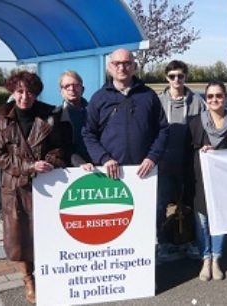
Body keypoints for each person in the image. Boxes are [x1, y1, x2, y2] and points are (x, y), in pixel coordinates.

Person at [0, 71, 71, 304]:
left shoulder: (49, 116)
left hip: (44, 186)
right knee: (19, 238)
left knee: (44, 234)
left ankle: (48, 274)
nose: (25, 96)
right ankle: (28, 280)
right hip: (15, 187)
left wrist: (51, 162)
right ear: (12, 92)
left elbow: (60, 148)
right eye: (20, 91)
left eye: (30, 92)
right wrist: (29, 166)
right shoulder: (2, 120)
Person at [184, 80, 227, 281]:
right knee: (202, 221)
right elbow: (186, 151)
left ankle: (217, 259)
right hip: (200, 180)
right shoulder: (195, 122)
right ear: (205, 98)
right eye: (210, 96)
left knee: (219, 220)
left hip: (225, 182)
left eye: (219, 95)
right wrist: (199, 149)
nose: (214, 100)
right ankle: (206, 258)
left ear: (226, 98)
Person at [82, 48, 168, 179]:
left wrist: (152, 157)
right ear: (109, 67)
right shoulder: (99, 98)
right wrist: (104, 159)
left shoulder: (149, 96)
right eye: (116, 63)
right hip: (109, 173)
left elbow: (163, 130)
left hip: (144, 173)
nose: (121, 68)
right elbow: (88, 133)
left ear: (135, 66)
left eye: (127, 63)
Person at [156, 60, 205, 262]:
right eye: (172, 76)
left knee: (190, 205)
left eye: (181, 76)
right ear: (167, 78)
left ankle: (190, 241)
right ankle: (162, 243)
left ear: (186, 77)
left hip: (189, 164)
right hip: (164, 165)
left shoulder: (197, 101)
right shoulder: (158, 101)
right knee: (160, 206)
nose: (177, 80)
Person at [58, 70, 92, 169]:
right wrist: (79, 162)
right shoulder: (56, 116)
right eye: (67, 86)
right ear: (61, 91)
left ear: (82, 89)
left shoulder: (95, 112)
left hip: (98, 166)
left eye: (76, 85)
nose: (72, 89)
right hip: (70, 170)